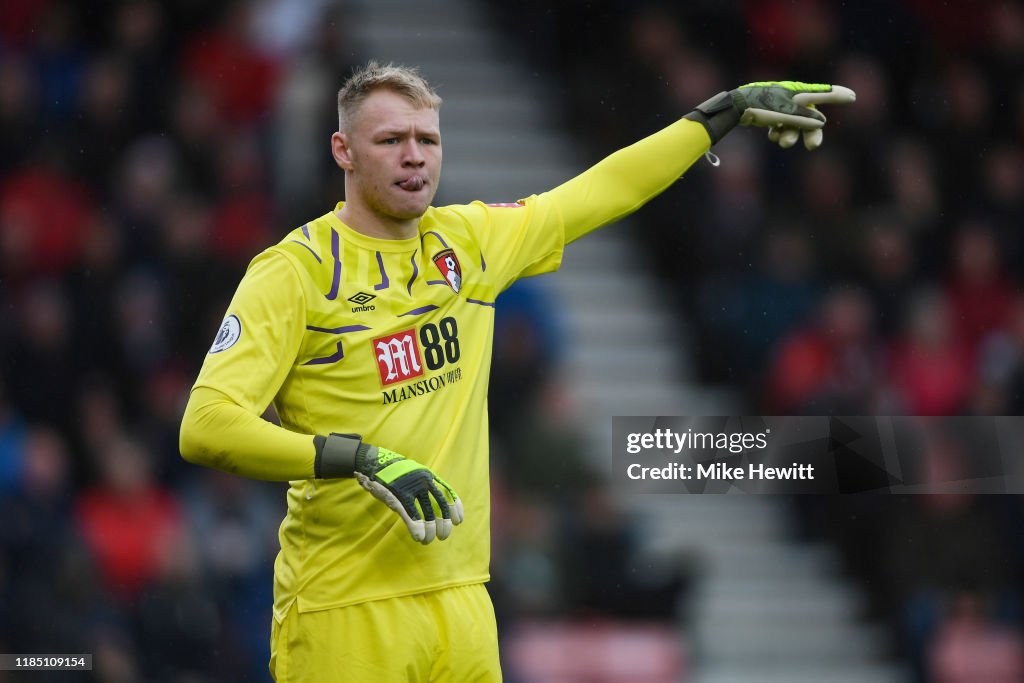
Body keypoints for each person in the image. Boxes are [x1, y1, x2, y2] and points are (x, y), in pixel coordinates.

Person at [179, 62, 854, 682]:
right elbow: (206, 427)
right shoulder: (294, 272)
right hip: (345, 608)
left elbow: (603, 189)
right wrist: (354, 458)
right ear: (343, 151)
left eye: (427, 139)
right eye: (390, 140)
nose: (414, 156)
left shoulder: (469, 243)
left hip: (464, 604)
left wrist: (718, 116)